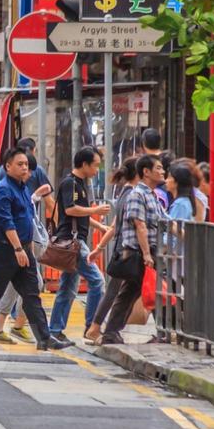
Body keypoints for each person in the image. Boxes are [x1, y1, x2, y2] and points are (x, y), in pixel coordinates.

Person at [0, 149, 68, 351]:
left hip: (24, 250)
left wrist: (25, 249)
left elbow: (26, 218)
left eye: (26, 164)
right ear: (7, 166)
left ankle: (44, 337)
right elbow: (6, 221)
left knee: (31, 294)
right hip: (6, 250)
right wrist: (18, 248)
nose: (24, 167)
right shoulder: (3, 189)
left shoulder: (23, 188)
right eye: (20, 164)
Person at [97, 155, 166, 346]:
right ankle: (166, 332)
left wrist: (188, 233)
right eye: (158, 168)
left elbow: (165, 221)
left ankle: (111, 332)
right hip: (140, 253)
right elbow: (140, 225)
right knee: (159, 290)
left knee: (130, 292)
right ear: (146, 172)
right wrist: (146, 255)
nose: (162, 172)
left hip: (149, 252)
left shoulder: (152, 195)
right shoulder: (137, 195)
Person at [48, 147, 111, 344]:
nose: (96, 170)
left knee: (67, 288)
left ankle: (55, 330)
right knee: (97, 281)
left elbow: (78, 213)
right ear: (84, 164)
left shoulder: (81, 184)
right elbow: (71, 210)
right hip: (73, 242)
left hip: (76, 240)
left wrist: (98, 225)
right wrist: (97, 210)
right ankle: (91, 326)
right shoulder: (71, 184)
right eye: (95, 166)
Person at [86, 157, 140, 343]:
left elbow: (114, 227)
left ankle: (100, 328)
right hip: (125, 251)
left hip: (120, 249)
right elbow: (121, 227)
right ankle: (95, 328)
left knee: (117, 290)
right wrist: (99, 248)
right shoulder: (131, 195)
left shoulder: (125, 194)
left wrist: (99, 248)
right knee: (114, 290)